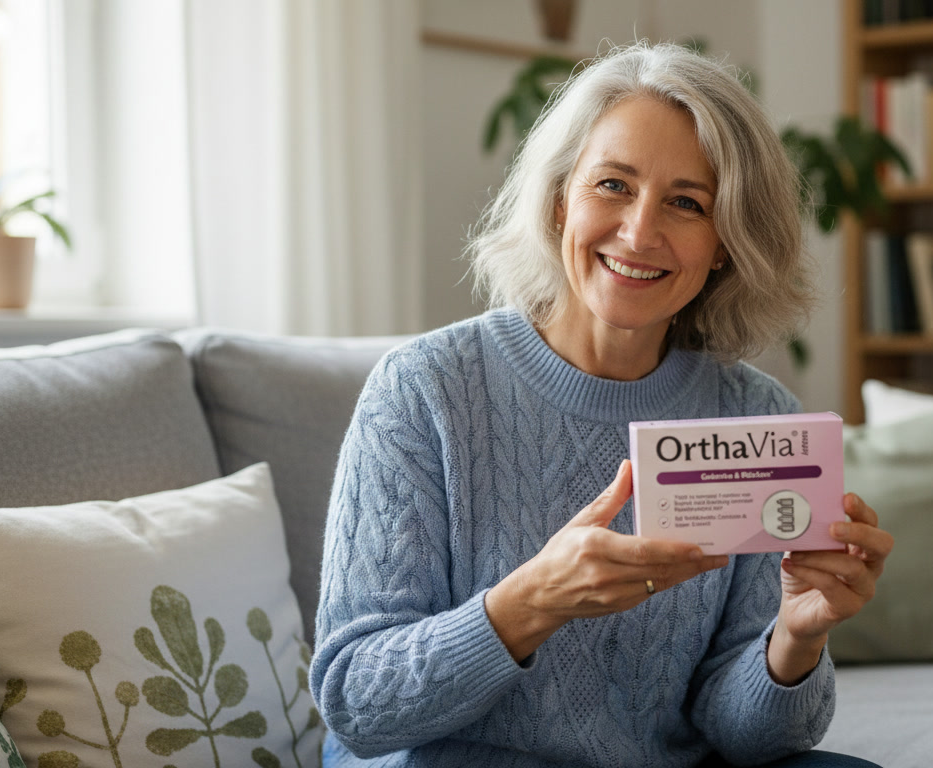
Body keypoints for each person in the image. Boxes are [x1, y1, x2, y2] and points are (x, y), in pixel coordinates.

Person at [310, 41, 893, 768]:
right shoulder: (424, 389)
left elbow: (749, 741)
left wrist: (795, 640)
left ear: (724, 244)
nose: (639, 232)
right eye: (613, 185)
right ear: (561, 202)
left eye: (687, 203)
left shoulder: (756, 416)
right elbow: (355, 702)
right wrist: (533, 601)